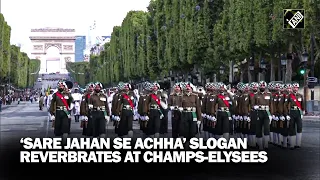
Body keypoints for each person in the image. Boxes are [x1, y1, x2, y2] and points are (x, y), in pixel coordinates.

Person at [254, 81, 274, 150]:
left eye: (263, 86)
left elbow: (271, 104)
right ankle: (260, 145)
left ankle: (266, 144)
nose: (262, 87)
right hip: (259, 112)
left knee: (267, 128)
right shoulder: (256, 94)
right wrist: (254, 107)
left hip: (267, 112)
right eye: (261, 86)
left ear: (265, 87)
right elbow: (253, 104)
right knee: (258, 129)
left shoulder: (269, 94)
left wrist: (271, 114)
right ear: (259, 87)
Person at [286, 82, 305, 149]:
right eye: (294, 87)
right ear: (292, 88)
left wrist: (303, 111)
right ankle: (292, 144)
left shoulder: (300, 95)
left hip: (298, 112)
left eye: (297, 87)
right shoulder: (289, 96)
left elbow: (303, 104)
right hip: (292, 112)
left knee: (299, 127)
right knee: (292, 127)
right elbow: (286, 105)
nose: (295, 89)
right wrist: (287, 114)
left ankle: (298, 143)